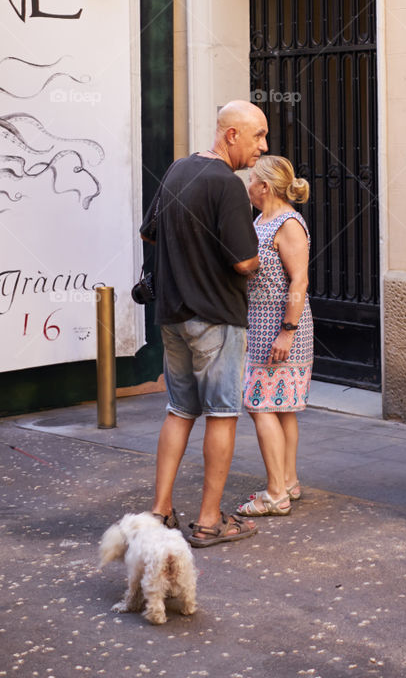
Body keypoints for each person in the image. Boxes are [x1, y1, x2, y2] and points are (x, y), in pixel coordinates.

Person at [141, 99, 269, 548]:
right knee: (222, 414)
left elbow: (149, 233)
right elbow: (244, 261)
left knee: (179, 411)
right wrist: (257, 260)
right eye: (258, 136)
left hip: (173, 315)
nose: (263, 146)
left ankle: (159, 511)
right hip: (216, 316)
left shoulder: (178, 169)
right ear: (231, 134)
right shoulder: (228, 185)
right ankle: (210, 521)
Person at [236, 155, 313, 518]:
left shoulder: (288, 223)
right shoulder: (260, 220)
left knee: (259, 404)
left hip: (280, 328)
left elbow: (299, 281)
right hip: (261, 325)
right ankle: (288, 481)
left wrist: (287, 332)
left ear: (265, 187)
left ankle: (275, 494)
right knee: (280, 408)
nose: (248, 185)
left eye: (251, 179)